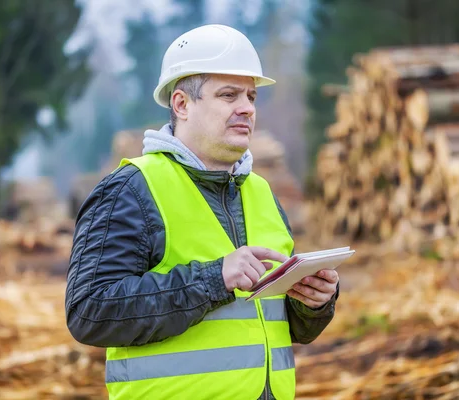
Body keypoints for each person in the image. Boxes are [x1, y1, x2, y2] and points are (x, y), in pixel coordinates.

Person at [65, 24, 340, 400]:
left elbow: (285, 329)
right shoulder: (130, 190)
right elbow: (90, 312)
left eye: (251, 96)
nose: (246, 107)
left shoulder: (261, 193)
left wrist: (314, 302)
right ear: (181, 104)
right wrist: (214, 279)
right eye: (228, 95)